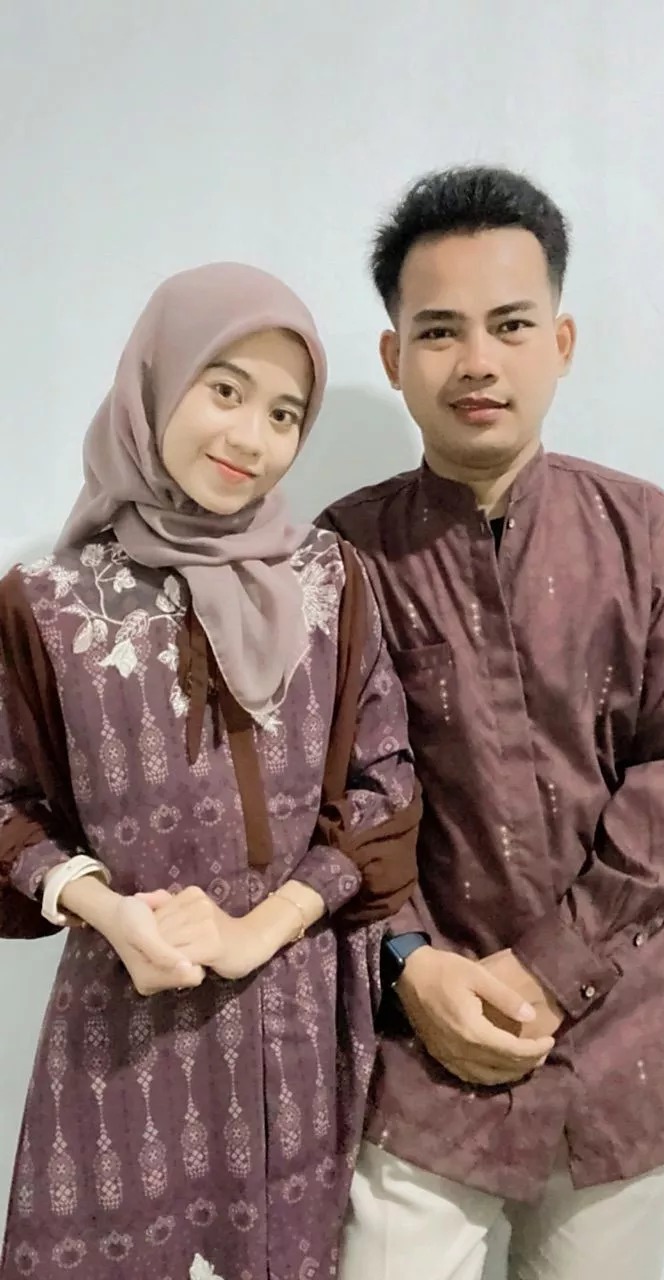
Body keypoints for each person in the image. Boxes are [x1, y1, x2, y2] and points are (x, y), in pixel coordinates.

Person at [0, 261, 445, 1280]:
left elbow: (385, 790)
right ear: (157, 381)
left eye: (285, 413)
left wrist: (261, 927)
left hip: (292, 1024)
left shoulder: (329, 579)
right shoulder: (48, 603)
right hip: (125, 1024)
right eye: (226, 388)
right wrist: (106, 906)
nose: (252, 437)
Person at [318, 166, 664, 1280]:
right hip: (418, 1048)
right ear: (394, 356)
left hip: (622, 1045)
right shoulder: (339, 557)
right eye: (439, 330)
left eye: (509, 324)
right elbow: (328, 797)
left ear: (562, 341)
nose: (477, 361)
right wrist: (410, 965)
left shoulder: (650, 534)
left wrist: (551, 970)